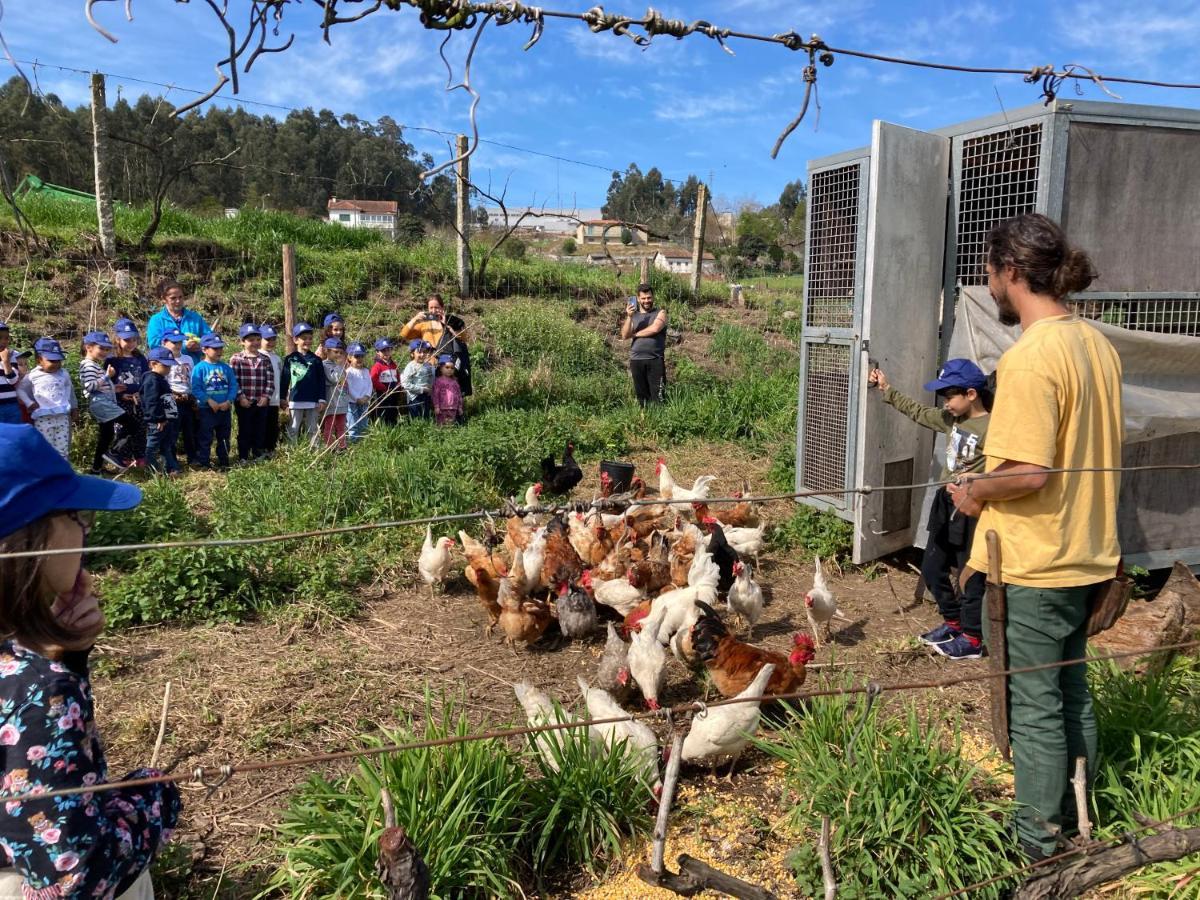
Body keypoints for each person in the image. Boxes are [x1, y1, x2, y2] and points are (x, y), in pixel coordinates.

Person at [948, 213, 1123, 863]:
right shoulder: (1095, 345)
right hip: (1087, 550)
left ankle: (1037, 848)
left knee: (1036, 707)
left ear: (1012, 273)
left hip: (1036, 561)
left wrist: (973, 491)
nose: (988, 286)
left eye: (990, 273)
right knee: (1073, 690)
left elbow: (1028, 471)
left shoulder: (1028, 358)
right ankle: (1081, 817)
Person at [0, 423, 181, 898]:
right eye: (77, 515)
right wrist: (154, 794)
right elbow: (77, 875)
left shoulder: (26, 669)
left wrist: (69, 656)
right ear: (34, 537)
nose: (86, 531)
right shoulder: (36, 689)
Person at [869, 359, 991, 659]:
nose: (946, 404)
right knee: (932, 567)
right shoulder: (952, 420)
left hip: (973, 505)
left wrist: (976, 480)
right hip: (945, 500)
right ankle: (953, 621)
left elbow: (1005, 469)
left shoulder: (994, 428)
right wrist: (887, 389)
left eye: (949, 397)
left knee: (970, 573)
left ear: (971, 394)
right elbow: (920, 413)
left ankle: (973, 638)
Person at [79, 331, 136, 474]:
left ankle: (96, 468)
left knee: (106, 435)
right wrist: (107, 376)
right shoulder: (88, 366)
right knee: (131, 424)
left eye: (107, 349)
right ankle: (113, 452)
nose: (105, 352)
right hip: (101, 404)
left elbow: (98, 387)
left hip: (103, 401)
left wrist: (114, 388)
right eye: (101, 348)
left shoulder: (93, 365)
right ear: (89, 347)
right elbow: (90, 386)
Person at [15, 338, 77, 460]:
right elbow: (20, 390)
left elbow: (69, 389)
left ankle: (61, 474)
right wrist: (29, 403)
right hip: (43, 417)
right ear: (39, 360)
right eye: (51, 360)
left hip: (62, 416)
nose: (56, 364)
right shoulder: (33, 375)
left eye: (58, 360)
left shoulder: (64, 373)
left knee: (62, 449)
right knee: (44, 447)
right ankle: (45, 474)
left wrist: (73, 407)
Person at [400, 294, 471, 396]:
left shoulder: (451, 321)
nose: (433, 310)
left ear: (442, 308)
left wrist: (447, 324)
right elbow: (404, 334)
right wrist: (415, 319)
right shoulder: (424, 325)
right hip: (429, 366)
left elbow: (464, 338)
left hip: (446, 366)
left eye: (436, 307)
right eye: (431, 308)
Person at [190, 334, 237, 470]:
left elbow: (233, 385)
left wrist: (229, 400)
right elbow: (196, 388)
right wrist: (208, 400)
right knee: (205, 437)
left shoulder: (226, 368)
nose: (219, 351)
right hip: (207, 409)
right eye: (215, 349)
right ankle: (204, 462)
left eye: (220, 348)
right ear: (204, 349)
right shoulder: (199, 368)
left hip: (224, 409)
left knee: (224, 436)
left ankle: (223, 461)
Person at [229, 324, 274, 463]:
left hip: (261, 401)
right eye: (250, 340)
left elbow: (270, 380)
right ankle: (243, 455)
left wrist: (266, 396)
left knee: (260, 428)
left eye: (257, 339)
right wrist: (241, 397)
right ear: (242, 341)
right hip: (244, 402)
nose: (255, 342)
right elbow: (233, 381)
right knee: (245, 429)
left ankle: (257, 453)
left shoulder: (265, 359)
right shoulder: (236, 359)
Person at [620, 283, 668, 406]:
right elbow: (625, 335)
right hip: (636, 360)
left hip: (655, 359)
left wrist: (635, 334)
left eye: (649, 297)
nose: (647, 301)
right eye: (643, 298)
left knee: (659, 397)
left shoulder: (660, 313)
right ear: (638, 299)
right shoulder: (634, 316)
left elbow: (655, 328)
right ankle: (645, 422)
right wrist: (629, 317)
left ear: (653, 297)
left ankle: (661, 422)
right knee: (642, 398)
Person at [279, 323, 326, 443]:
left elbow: (321, 381)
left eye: (310, 338)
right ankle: (292, 450)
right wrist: (282, 397)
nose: (308, 341)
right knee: (294, 427)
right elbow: (285, 379)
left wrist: (321, 399)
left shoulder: (316, 360)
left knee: (312, 428)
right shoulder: (290, 359)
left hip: (313, 400)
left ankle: (314, 450)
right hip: (295, 400)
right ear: (295, 340)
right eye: (304, 338)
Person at [141, 347, 181, 476]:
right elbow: (151, 402)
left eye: (170, 366)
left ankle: (172, 469)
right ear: (153, 364)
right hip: (157, 422)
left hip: (166, 420)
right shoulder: (151, 380)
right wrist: (159, 418)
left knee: (166, 446)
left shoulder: (160, 378)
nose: (169, 369)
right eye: (166, 365)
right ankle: (154, 470)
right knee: (151, 448)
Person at [161, 330, 197, 466]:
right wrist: (172, 394)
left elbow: (192, 379)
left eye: (180, 342)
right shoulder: (163, 360)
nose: (177, 345)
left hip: (187, 398)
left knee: (189, 431)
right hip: (172, 398)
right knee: (172, 432)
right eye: (174, 342)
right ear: (164, 343)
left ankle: (192, 457)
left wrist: (193, 397)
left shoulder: (188, 359)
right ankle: (171, 460)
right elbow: (162, 380)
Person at [145, 278, 211, 352]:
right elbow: (154, 344)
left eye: (180, 297)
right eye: (173, 298)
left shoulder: (195, 318)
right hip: (167, 363)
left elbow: (210, 339)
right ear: (163, 299)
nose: (178, 301)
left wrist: (200, 346)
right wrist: (183, 346)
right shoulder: (156, 320)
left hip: (192, 363)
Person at [258, 323, 283, 455]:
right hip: (262, 399)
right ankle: (259, 450)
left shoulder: (277, 358)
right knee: (261, 426)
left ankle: (270, 449)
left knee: (273, 425)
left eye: (273, 339)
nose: (271, 342)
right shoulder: (258, 356)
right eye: (267, 339)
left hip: (275, 399)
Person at [344, 342, 373, 443]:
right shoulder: (349, 372)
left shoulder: (366, 371)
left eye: (362, 356)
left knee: (363, 423)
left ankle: (363, 442)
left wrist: (367, 396)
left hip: (364, 402)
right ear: (350, 357)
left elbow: (370, 385)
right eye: (357, 356)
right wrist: (357, 398)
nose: (360, 359)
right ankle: (353, 442)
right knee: (353, 424)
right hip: (352, 403)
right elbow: (349, 388)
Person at [369, 338, 402, 426]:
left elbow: (397, 375)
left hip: (394, 391)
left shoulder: (393, 364)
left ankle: (393, 426)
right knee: (384, 411)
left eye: (389, 350)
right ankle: (384, 428)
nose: (387, 353)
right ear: (378, 352)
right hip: (383, 393)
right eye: (384, 351)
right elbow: (373, 379)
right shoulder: (377, 366)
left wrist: (399, 384)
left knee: (393, 410)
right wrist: (384, 389)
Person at [400, 339, 433, 419]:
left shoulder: (427, 365)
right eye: (419, 352)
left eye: (424, 352)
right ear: (412, 354)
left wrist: (430, 388)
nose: (422, 354)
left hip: (426, 396)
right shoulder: (410, 366)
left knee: (426, 417)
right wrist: (421, 389)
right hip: (414, 398)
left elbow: (430, 377)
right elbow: (405, 384)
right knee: (416, 419)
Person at [432, 354, 463, 427]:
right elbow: (435, 395)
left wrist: (460, 407)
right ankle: (441, 436)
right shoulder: (438, 381)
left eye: (452, 368)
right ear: (441, 368)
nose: (450, 370)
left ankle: (450, 436)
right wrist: (436, 406)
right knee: (441, 424)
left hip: (453, 407)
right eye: (447, 367)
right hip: (442, 408)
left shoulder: (455, 382)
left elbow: (459, 395)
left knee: (450, 424)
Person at [0, 322, 21, 426]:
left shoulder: (13, 355)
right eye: (0, 338)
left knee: (14, 435)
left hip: (11, 405)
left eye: (6, 338)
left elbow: (13, 380)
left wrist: (5, 361)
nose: (4, 341)